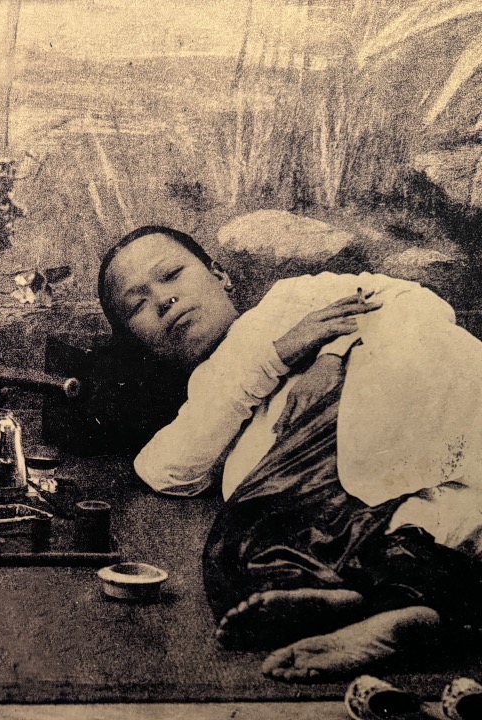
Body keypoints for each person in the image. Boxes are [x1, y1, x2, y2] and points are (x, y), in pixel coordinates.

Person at [98, 224, 482, 682]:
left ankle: (359, 599)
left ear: (220, 275)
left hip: (410, 396)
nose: (164, 300)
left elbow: (417, 303)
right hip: (379, 479)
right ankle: (396, 608)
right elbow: (165, 470)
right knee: (252, 542)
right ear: (134, 339)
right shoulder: (208, 391)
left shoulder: (293, 296)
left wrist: (332, 355)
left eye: (171, 274)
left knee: (261, 514)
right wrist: (278, 356)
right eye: (137, 305)